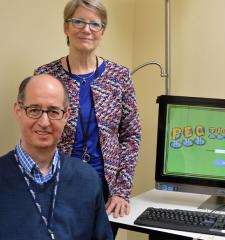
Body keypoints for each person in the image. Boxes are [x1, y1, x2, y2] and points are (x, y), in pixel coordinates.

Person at [34, 0, 141, 220]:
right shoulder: (45, 76)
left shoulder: (119, 76)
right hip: (57, 185)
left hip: (105, 191)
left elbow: (131, 136)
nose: (86, 29)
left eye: (95, 24)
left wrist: (121, 191)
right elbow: (36, 132)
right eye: (79, 22)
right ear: (66, 27)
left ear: (102, 31)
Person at [0, 74, 113, 240]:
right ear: (18, 111)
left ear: (66, 116)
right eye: (34, 110)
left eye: (54, 111)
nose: (44, 122)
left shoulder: (88, 179)